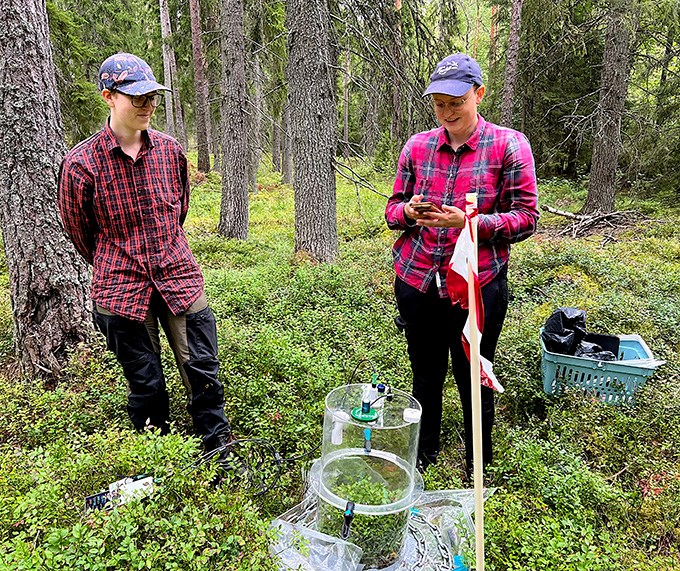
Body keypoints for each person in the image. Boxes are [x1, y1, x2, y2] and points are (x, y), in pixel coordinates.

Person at [58, 53, 233, 457]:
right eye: (137, 99)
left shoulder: (171, 152)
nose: (148, 106)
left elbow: (180, 211)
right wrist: (115, 262)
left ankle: (218, 449)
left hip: (178, 277)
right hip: (120, 290)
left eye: (152, 98)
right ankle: (159, 459)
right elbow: (80, 232)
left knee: (203, 369)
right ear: (108, 97)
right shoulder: (81, 165)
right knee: (146, 383)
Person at [385, 53, 539, 473]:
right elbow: (392, 209)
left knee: (474, 375)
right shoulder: (417, 147)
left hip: (477, 286)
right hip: (417, 280)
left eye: (457, 101)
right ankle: (425, 456)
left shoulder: (508, 145)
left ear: (479, 94)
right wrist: (410, 212)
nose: (448, 111)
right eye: (439, 103)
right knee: (425, 374)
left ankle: (477, 466)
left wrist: (471, 223)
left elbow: (526, 217)